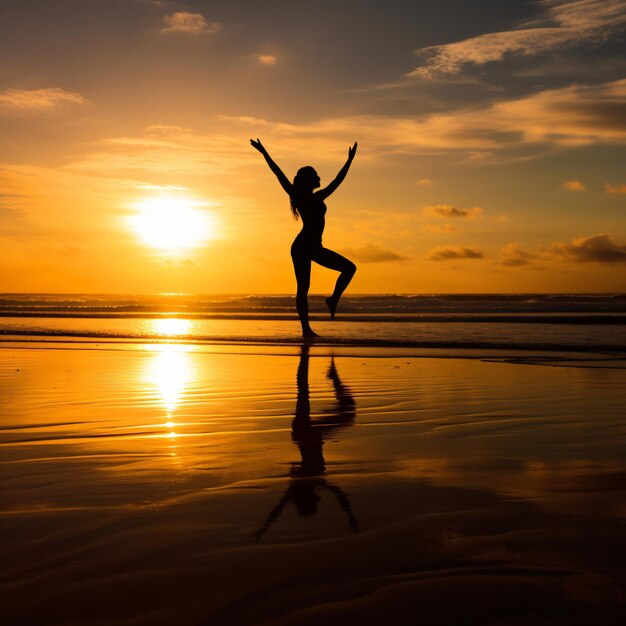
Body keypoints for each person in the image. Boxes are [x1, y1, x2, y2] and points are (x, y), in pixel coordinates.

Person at [250, 139, 358, 337]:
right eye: (315, 175)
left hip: (313, 246)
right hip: (302, 247)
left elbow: (338, 180)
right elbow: (277, 172)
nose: (319, 177)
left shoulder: (318, 197)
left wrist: (349, 160)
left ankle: (333, 299)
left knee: (349, 268)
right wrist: (264, 151)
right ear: (308, 180)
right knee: (303, 288)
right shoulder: (301, 196)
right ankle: (306, 330)